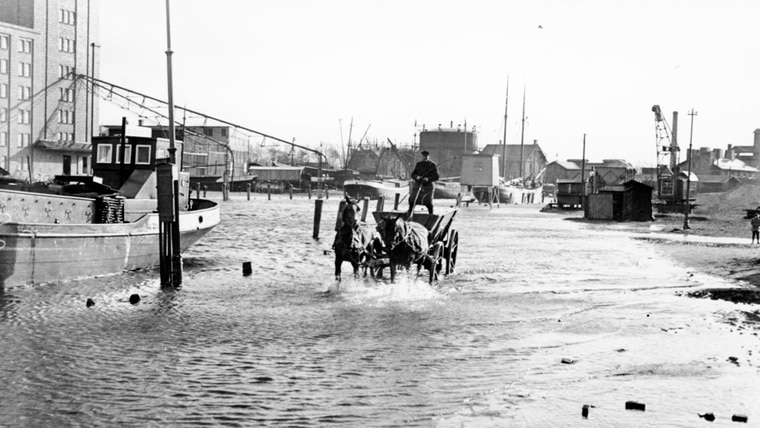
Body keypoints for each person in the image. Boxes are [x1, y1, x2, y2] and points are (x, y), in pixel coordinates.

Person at [408, 150, 439, 215]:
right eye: (424, 156)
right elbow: (413, 174)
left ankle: (431, 215)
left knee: (428, 202)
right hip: (418, 185)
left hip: (428, 187)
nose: (425, 157)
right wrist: (417, 177)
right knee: (412, 200)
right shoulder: (418, 164)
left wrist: (428, 179)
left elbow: (436, 176)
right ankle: (409, 213)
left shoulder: (433, 165)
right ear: (422, 156)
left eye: (426, 156)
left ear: (428, 156)